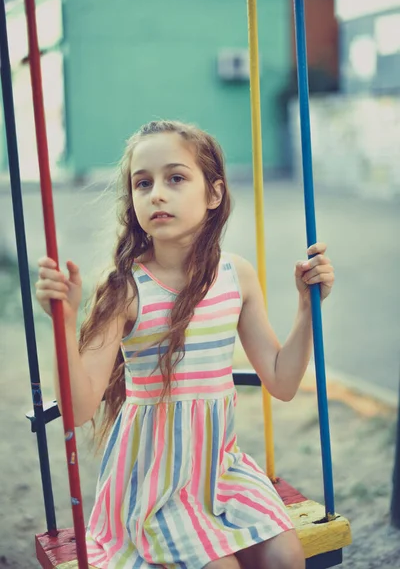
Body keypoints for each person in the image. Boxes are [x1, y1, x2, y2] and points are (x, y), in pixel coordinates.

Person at [35, 120, 335, 569]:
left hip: (219, 471)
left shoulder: (236, 275)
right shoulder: (124, 288)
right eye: (143, 183)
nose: (157, 193)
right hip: (152, 481)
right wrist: (61, 323)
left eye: (175, 178)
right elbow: (78, 410)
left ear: (213, 194)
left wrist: (307, 307)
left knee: (286, 554)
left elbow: (283, 380)